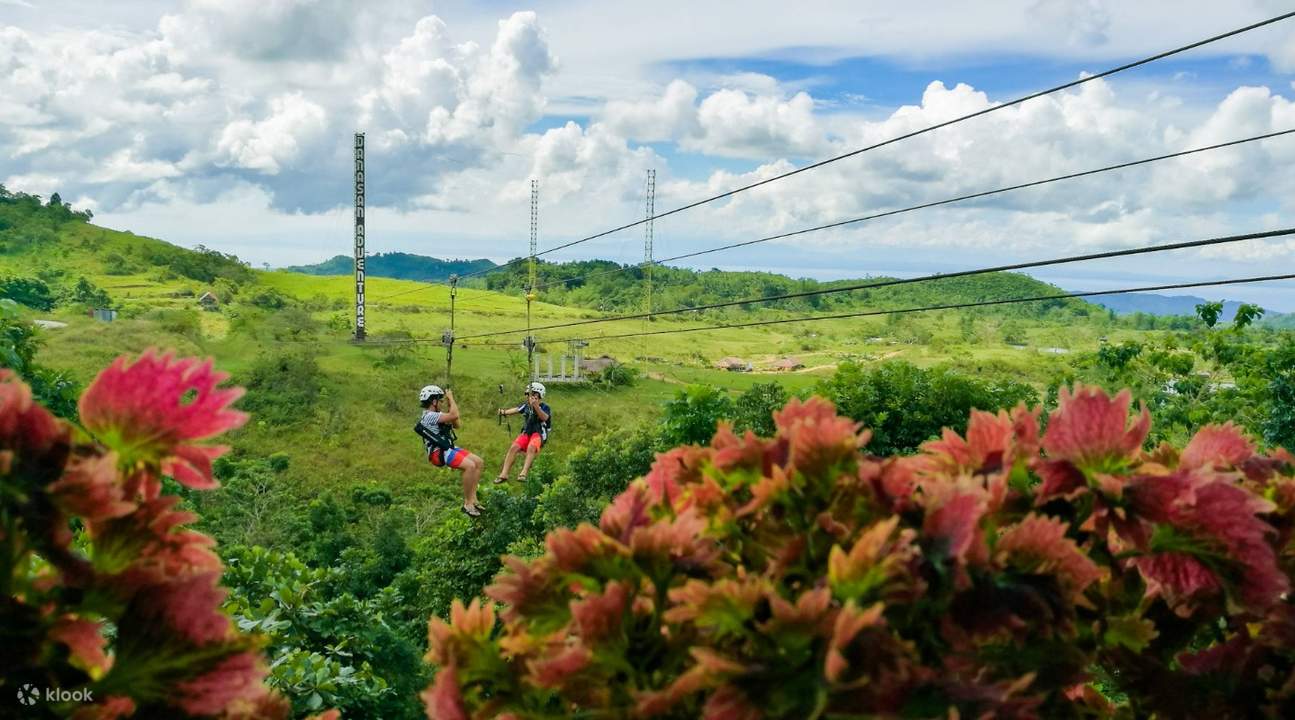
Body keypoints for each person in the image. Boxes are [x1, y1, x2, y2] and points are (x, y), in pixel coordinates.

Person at [413, 385, 485, 517]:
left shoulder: (439, 416)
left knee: (478, 462)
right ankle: (468, 504)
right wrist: (451, 399)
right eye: (440, 400)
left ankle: (473, 499)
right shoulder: (429, 416)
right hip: (438, 452)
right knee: (470, 466)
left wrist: (450, 410)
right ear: (433, 401)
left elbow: (457, 424)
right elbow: (455, 415)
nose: (442, 403)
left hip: (447, 447)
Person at [495, 381, 551, 484]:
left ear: (538, 396)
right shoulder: (526, 406)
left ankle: (523, 473)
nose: (528, 398)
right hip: (527, 432)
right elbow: (516, 410)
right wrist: (504, 412)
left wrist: (536, 407)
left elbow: (544, 418)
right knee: (514, 447)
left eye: (530, 395)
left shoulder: (545, 407)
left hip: (538, 434)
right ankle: (504, 473)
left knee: (531, 447)